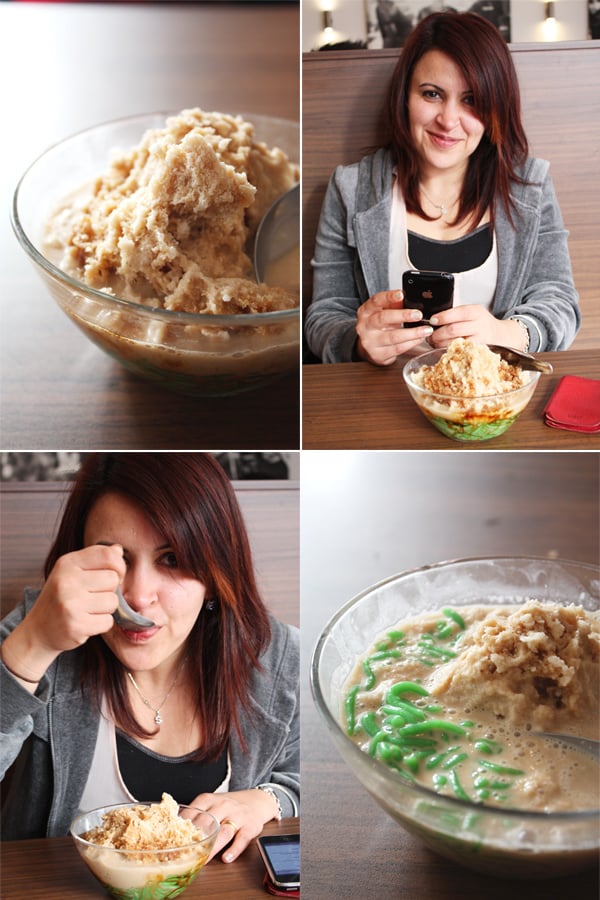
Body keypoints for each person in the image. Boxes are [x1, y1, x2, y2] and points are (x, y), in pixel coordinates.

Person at [0, 453, 299, 862]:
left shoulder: (278, 661)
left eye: (172, 559)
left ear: (214, 576)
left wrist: (270, 800)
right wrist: (33, 646)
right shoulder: (40, 627)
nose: (138, 597)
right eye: (114, 558)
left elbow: (333, 778)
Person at [304, 11, 580, 365]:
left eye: (471, 100)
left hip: (492, 398)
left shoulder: (529, 186)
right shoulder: (352, 188)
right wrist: (355, 342)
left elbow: (560, 303)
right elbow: (323, 316)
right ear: (405, 96)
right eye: (432, 94)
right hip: (385, 398)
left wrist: (507, 333)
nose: (448, 120)